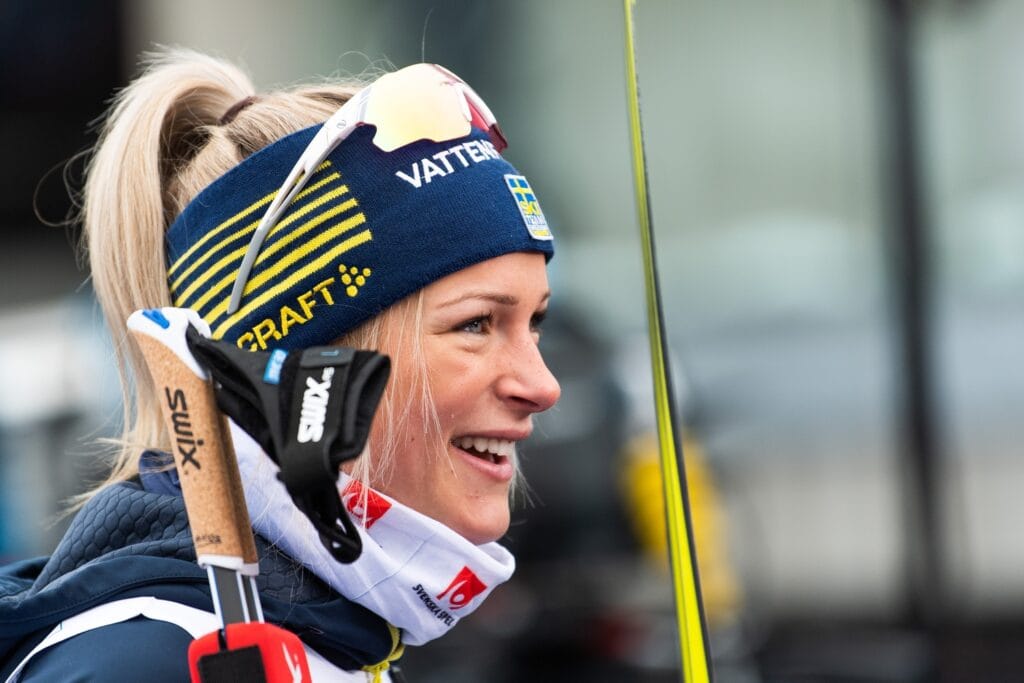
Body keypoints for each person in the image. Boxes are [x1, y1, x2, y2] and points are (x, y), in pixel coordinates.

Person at [0, 48, 560, 681]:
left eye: (535, 322)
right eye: (475, 324)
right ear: (295, 371)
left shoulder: (336, 636)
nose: (542, 386)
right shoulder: (142, 661)